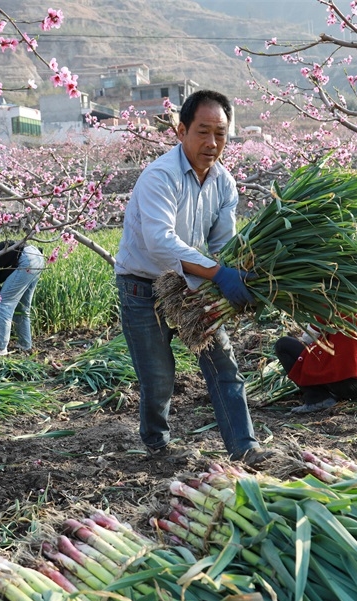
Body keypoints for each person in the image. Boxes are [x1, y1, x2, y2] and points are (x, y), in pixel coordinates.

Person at [114, 89, 264, 465]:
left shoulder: (224, 182)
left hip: (194, 284)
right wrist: (219, 273)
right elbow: (160, 242)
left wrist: (243, 273)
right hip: (142, 284)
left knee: (223, 364)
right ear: (181, 131)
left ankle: (244, 448)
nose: (212, 143)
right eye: (203, 131)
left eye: (221, 133)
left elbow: (223, 242)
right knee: (159, 377)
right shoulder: (159, 176)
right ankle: (157, 444)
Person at [274, 319, 357, 413]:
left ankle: (318, 398)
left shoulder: (331, 303)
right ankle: (333, 393)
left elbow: (309, 337)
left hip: (347, 385)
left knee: (283, 345)